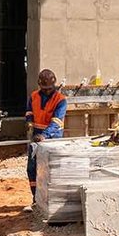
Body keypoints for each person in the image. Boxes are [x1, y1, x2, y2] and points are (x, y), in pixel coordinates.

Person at [25, 69, 68, 198]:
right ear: (40, 85)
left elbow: (57, 122)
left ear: (54, 85)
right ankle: (36, 198)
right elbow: (29, 112)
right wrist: (29, 122)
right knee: (32, 168)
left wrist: (44, 135)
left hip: (53, 138)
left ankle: (52, 197)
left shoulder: (60, 100)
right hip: (36, 136)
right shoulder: (34, 96)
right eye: (45, 89)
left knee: (50, 169)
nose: (47, 91)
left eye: (49, 88)